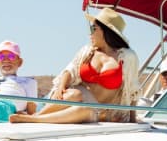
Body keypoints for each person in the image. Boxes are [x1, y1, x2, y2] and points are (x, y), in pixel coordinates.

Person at [10, 8, 139, 124]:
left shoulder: (127, 57)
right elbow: (70, 70)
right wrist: (61, 86)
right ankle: (37, 115)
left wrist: (133, 120)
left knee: (84, 109)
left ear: (106, 31)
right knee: (74, 94)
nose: (90, 34)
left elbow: (133, 90)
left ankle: (32, 119)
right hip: (81, 97)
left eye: (93, 29)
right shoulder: (87, 51)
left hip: (104, 111)